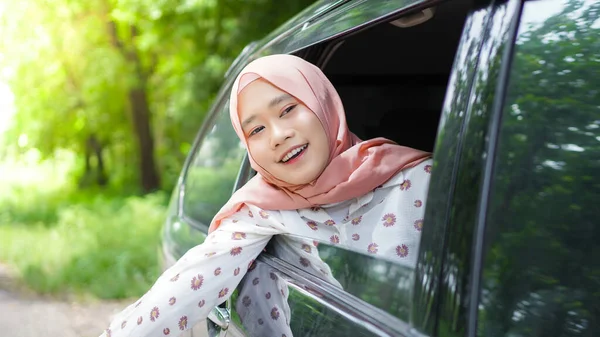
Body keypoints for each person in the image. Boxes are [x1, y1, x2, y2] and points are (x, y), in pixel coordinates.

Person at [100, 54, 432, 337]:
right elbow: (180, 290)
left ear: (324, 103)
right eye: (256, 129)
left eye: (288, 109)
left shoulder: (421, 180)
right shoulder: (260, 207)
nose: (278, 135)